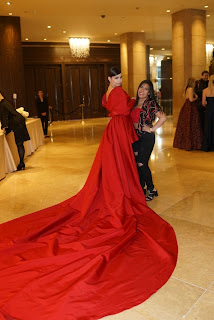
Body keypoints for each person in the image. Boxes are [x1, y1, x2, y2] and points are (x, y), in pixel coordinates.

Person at [0, 68, 177, 320]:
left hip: (113, 131)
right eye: (116, 78)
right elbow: (124, 110)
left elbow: (121, 107)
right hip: (118, 130)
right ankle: (123, 192)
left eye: (120, 78)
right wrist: (131, 102)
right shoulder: (118, 93)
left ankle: (124, 188)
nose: (119, 81)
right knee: (120, 166)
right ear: (110, 79)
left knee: (116, 167)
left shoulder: (109, 92)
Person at [131, 80, 167, 201]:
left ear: (149, 92)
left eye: (146, 89)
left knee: (142, 163)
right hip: (134, 137)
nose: (142, 90)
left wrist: (152, 129)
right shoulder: (134, 103)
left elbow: (163, 117)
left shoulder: (151, 103)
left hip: (146, 137)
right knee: (137, 164)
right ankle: (142, 187)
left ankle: (151, 188)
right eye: (141, 87)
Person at [0, 92, 30, 171]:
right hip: (20, 121)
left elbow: (4, 118)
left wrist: (4, 128)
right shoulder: (5, 102)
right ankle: (21, 162)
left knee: (19, 144)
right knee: (20, 144)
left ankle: (21, 163)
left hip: (17, 124)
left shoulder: (2, 104)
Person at [173, 77, 203, 151]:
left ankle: (185, 143)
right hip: (190, 107)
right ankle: (192, 144)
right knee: (192, 125)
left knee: (186, 125)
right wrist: (196, 97)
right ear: (192, 82)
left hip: (187, 107)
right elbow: (191, 100)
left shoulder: (187, 89)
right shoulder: (190, 89)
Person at [201, 74, 214, 151]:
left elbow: (203, 103)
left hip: (209, 110)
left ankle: (207, 146)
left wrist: (208, 106)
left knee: (208, 127)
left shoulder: (205, 90)